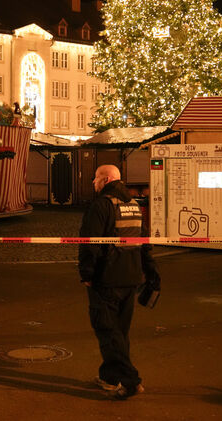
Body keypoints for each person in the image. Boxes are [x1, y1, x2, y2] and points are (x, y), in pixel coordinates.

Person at [78, 164, 160, 399]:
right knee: (119, 332)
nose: (93, 183)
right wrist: (150, 272)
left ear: (105, 180)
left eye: (95, 179)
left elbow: (89, 244)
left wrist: (87, 275)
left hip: (107, 278)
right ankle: (109, 377)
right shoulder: (133, 206)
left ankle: (130, 380)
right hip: (131, 277)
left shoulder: (101, 205)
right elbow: (144, 243)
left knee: (107, 331)